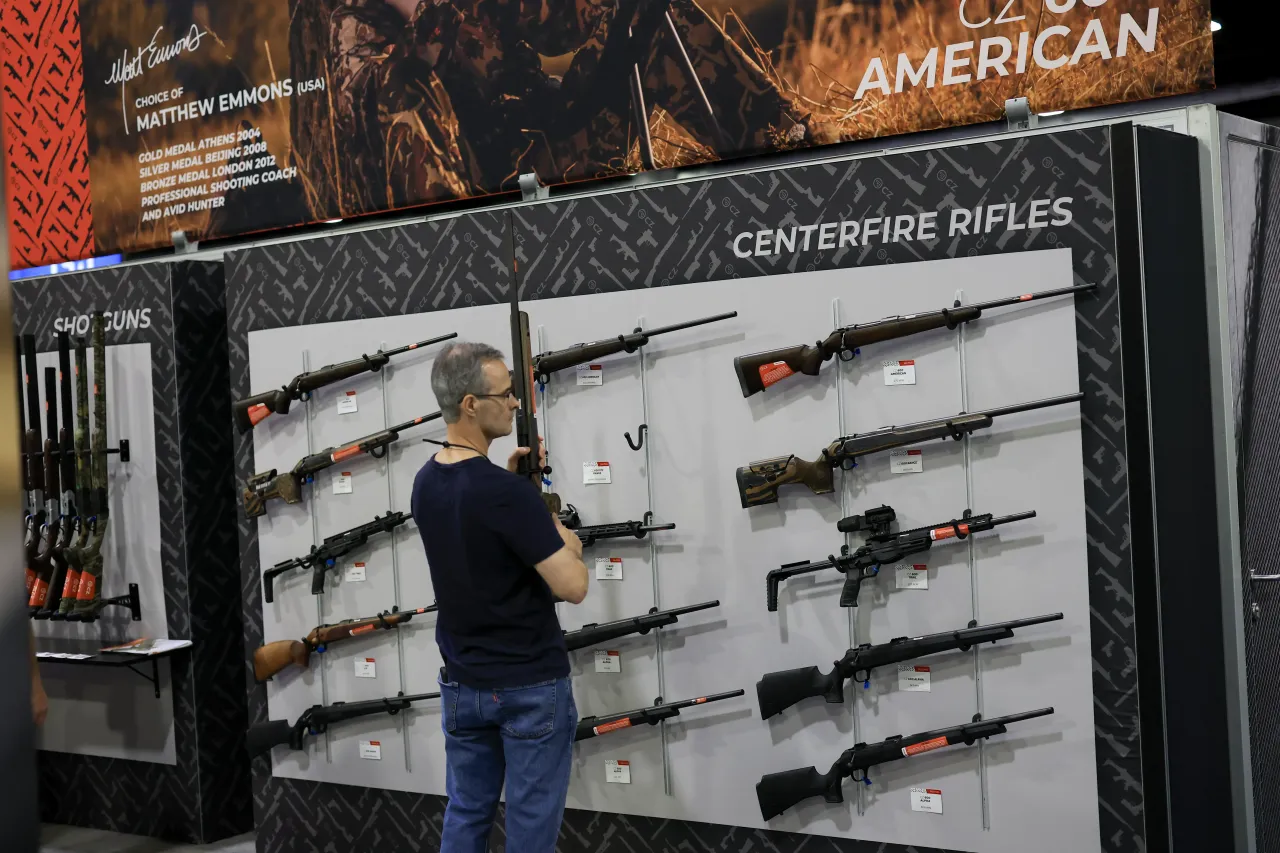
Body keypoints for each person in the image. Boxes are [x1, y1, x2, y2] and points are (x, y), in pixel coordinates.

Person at [411, 341, 588, 853]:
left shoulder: (427, 482)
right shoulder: (508, 497)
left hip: (464, 685)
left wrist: (517, 496)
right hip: (529, 686)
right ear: (470, 404)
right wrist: (563, 535)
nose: (514, 403)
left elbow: (479, 529)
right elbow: (572, 586)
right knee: (532, 831)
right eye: (506, 393)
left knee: (466, 815)